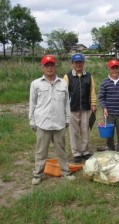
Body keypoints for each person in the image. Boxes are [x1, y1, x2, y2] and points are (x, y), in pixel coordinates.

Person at [29, 55, 75, 185]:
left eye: (51, 65)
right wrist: (32, 120)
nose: (49, 68)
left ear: (55, 67)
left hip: (59, 123)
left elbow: (67, 103)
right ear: (42, 67)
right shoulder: (36, 84)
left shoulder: (63, 83)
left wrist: (67, 118)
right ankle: (38, 174)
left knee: (61, 150)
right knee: (41, 151)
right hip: (42, 123)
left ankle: (65, 172)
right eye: (46, 65)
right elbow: (32, 103)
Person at [63, 53, 97, 164]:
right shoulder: (67, 77)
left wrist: (93, 104)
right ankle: (76, 153)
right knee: (74, 132)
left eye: (80, 62)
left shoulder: (89, 76)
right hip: (72, 108)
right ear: (72, 64)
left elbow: (92, 91)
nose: (78, 64)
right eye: (76, 62)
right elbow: (64, 93)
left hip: (86, 108)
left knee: (85, 131)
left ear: (83, 63)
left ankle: (85, 151)